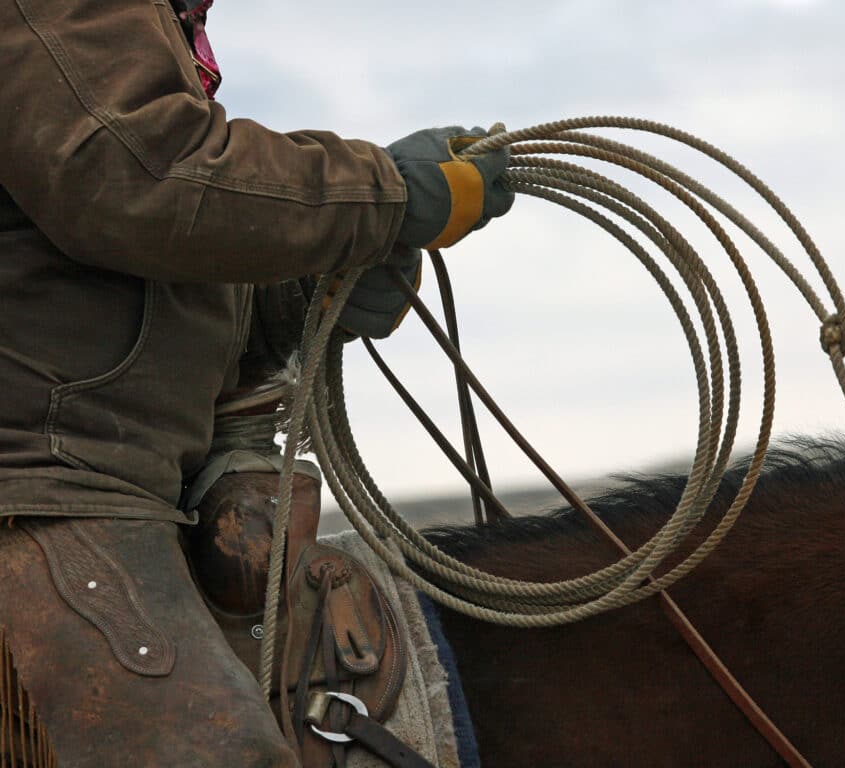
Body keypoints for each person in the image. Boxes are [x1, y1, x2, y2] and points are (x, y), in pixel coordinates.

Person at [0, 0, 514, 765]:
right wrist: (385, 194)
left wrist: (304, 298)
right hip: (42, 486)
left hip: (118, 480)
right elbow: (143, 178)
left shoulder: (151, 31)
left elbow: (155, 263)